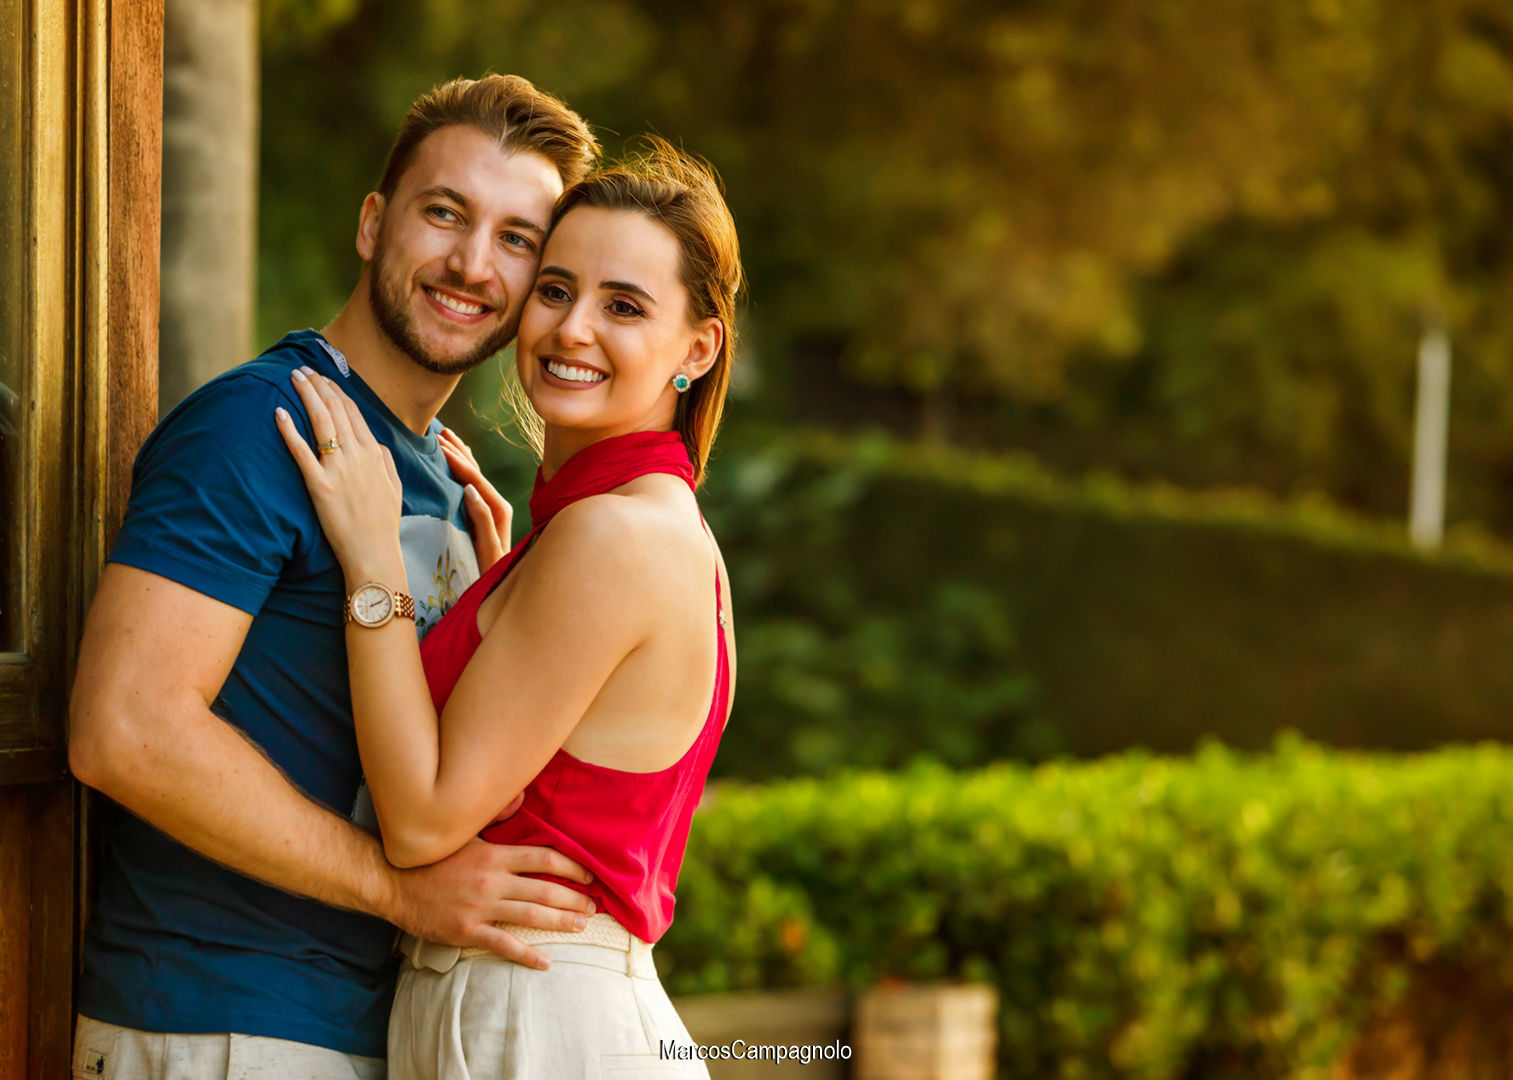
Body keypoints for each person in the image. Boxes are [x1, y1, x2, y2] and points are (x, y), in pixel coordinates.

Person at [67, 74, 602, 1078]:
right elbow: (123, 730)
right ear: (371, 224)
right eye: (443, 213)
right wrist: (397, 894)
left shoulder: (442, 479)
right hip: (218, 1023)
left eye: (516, 240)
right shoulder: (259, 425)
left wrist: (495, 605)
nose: (471, 263)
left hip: (364, 1029)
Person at [273, 138, 742, 1078]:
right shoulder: (633, 523)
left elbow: (421, 822)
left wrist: (375, 562)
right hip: (528, 1005)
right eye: (555, 289)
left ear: (697, 349)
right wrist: (490, 603)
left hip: (535, 1011)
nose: (572, 330)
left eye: (623, 306)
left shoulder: (614, 537)